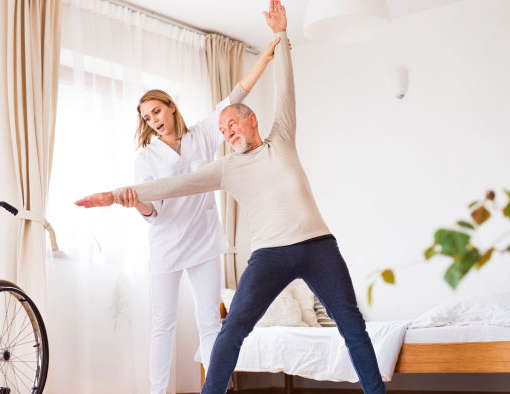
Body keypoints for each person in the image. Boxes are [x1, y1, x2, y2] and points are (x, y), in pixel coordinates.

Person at [75, 1, 386, 393]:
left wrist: (280, 36)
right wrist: (120, 193)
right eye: (222, 130)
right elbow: (173, 186)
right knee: (232, 329)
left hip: (318, 247)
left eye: (232, 124)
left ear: (251, 119)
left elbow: (285, 89)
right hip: (270, 254)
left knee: (351, 324)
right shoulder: (225, 168)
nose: (227, 132)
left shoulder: (282, 139)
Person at [119, 27, 280, 394]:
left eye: (157, 111)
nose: (154, 120)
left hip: (204, 241)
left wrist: (266, 57)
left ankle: (215, 388)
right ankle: (157, 392)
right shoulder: (145, 158)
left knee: (209, 321)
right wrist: (137, 203)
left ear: (171, 106)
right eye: (147, 118)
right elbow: (153, 212)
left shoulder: (204, 135)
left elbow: (236, 95)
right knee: (163, 324)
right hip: (166, 246)